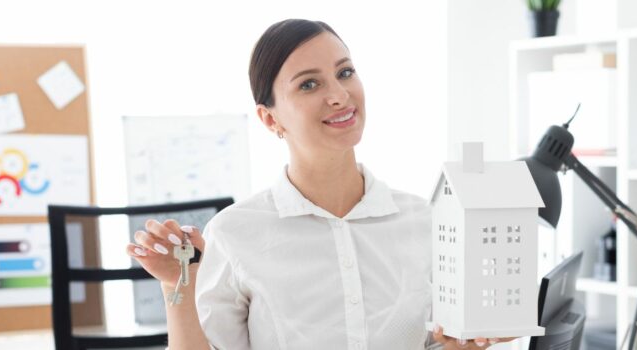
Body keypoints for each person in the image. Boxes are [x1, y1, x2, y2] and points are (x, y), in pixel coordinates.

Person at [127, 18, 515, 350]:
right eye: (309, 85)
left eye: (345, 72)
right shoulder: (235, 234)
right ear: (269, 119)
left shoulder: (423, 220)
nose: (339, 95)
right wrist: (178, 285)